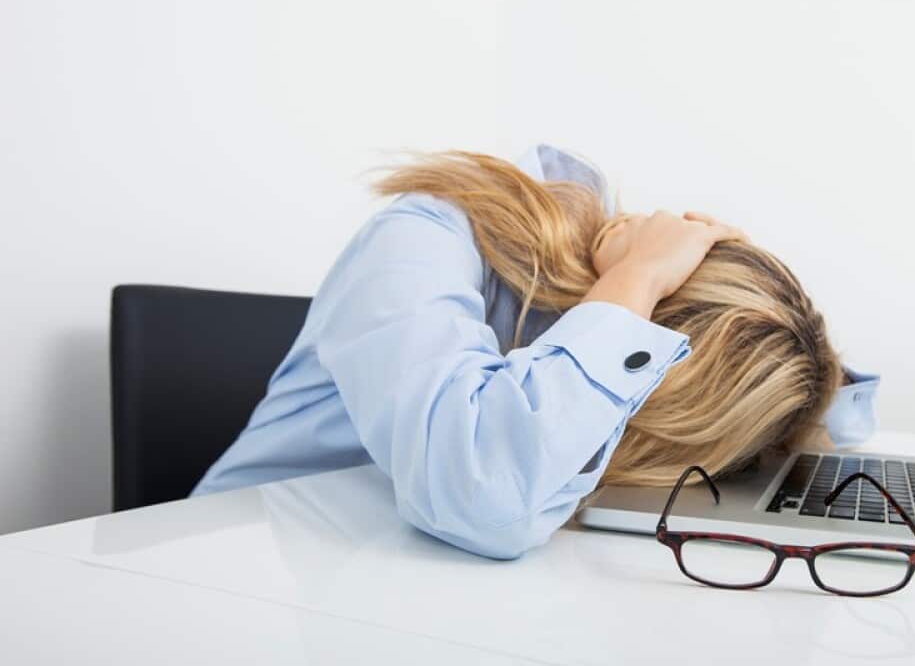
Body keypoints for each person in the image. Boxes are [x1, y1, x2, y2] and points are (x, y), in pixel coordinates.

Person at [193, 145, 880, 559]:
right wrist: (636, 279)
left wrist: (780, 334)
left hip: (380, 566)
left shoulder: (596, 315)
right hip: (234, 561)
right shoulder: (425, 233)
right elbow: (482, 496)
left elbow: (834, 428)